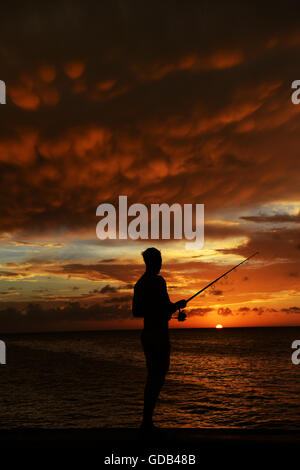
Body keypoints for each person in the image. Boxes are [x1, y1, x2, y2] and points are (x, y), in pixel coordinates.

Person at [132, 247, 186, 431]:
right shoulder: (158, 281)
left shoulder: (139, 284)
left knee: (152, 377)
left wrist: (170, 310)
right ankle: (147, 423)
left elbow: (137, 312)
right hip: (159, 336)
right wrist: (177, 306)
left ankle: (146, 421)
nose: (161, 263)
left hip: (147, 335)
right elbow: (165, 308)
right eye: (159, 260)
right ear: (153, 262)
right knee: (158, 377)